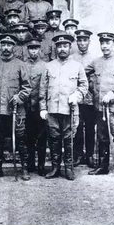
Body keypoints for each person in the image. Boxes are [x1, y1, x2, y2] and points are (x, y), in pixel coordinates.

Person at [39, 34, 88, 181]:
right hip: (52, 109)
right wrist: (43, 108)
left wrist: (77, 95)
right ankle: (55, 168)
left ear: (69, 47)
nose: (62, 49)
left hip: (70, 110)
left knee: (69, 140)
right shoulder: (49, 66)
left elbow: (84, 85)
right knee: (54, 139)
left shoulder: (77, 66)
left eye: (65, 46)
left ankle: (69, 168)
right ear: (56, 48)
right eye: (59, 46)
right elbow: (43, 88)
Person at [0, 34, 32, 180]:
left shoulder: (20, 64)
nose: (6, 47)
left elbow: (27, 87)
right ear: (1, 46)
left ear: (13, 47)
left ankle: (24, 169)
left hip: (16, 110)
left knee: (20, 139)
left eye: (9, 45)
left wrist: (20, 97)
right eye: (3, 44)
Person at [86, 32, 114, 181]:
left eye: (108, 43)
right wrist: (90, 88)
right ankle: (103, 167)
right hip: (100, 108)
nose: (104, 46)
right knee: (102, 137)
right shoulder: (96, 62)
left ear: (113, 44)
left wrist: (112, 94)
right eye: (102, 43)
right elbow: (82, 73)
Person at [70, 29, 96, 167]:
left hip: (90, 98)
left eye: (84, 40)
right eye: (79, 40)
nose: (82, 43)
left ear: (89, 42)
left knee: (90, 127)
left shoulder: (94, 58)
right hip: (76, 97)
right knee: (77, 127)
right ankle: (78, 154)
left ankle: (90, 155)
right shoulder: (72, 58)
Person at [25, 39, 48, 176]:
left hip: (40, 107)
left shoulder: (45, 66)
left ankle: (41, 165)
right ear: (28, 50)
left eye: (36, 48)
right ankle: (30, 164)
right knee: (28, 137)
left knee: (42, 137)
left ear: (39, 50)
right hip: (26, 107)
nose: (33, 51)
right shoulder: (23, 65)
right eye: (31, 48)